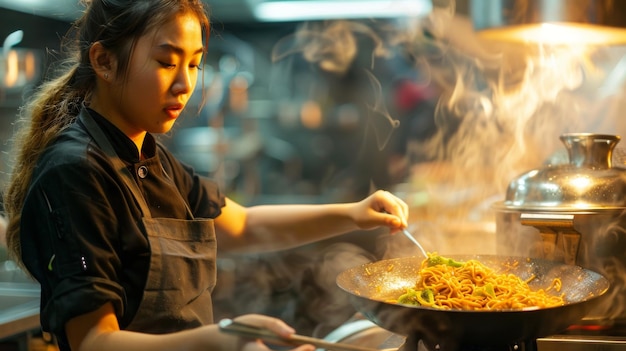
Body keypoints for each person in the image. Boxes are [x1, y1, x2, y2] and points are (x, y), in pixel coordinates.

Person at [1, 1, 409, 351]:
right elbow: (95, 342)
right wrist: (221, 339)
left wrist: (354, 214)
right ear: (104, 61)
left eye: (194, 64)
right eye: (166, 62)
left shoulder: (150, 157)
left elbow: (242, 225)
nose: (185, 84)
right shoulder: (76, 172)